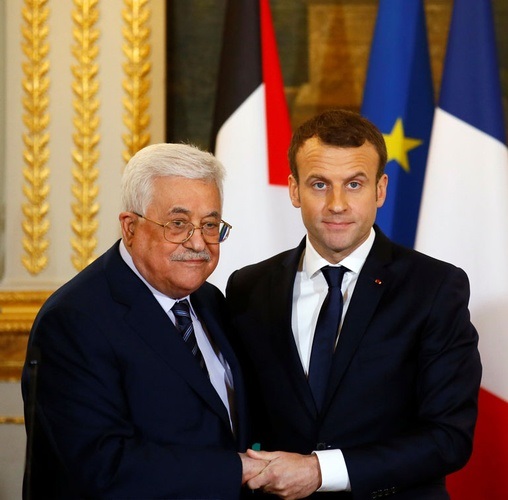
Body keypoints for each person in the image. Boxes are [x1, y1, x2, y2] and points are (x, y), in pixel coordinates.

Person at [226, 109, 482, 499]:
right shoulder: (248, 287)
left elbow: (448, 437)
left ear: (380, 190)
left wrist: (320, 471)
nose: (337, 204)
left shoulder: (435, 288)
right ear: (293, 190)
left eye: (354, 184)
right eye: (319, 184)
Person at [21, 143, 264, 499]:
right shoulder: (73, 321)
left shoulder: (210, 300)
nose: (198, 243)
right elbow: (101, 469)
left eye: (210, 225)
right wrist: (238, 470)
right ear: (130, 227)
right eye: (178, 224)